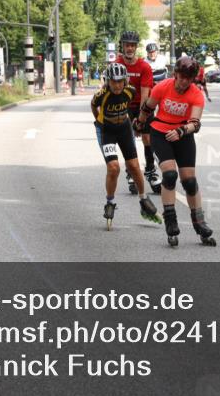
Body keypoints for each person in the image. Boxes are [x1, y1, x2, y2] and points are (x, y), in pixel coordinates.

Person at [135, 56, 213, 247]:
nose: (184, 81)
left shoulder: (196, 94)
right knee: (169, 175)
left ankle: (199, 222)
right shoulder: (163, 87)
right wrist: (140, 122)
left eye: (189, 78)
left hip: (183, 135)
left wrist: (181, 131)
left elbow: (195, 123)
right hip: (160, 133)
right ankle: (170, 219)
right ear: (175, 74)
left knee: (190, 181)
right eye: (182, 76)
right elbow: (148, 107)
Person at [91, 62, 160, 229]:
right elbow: (94, 106)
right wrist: (99, 121)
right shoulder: (101, 94)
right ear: (107, 81)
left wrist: (134, 123)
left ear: (125, 81)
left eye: (120, 81)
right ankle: (110, 202)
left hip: (124, 129)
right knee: (114, 168)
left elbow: (132, 107)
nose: (117, 85)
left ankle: (143, 199)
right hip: (106, 130)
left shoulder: (131, 91)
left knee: (134, 166)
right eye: (113, 81)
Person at [115, 31, 161, 194]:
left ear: (136, 47)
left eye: (132, 46)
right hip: (123, 105)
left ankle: (150, 170)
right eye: (127, 45)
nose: (129, 48)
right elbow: (115, 91)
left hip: (142, 105)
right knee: (128, 140)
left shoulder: (144, 67)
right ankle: (131, 172)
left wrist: (140, 119)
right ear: (123, 46)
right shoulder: (117, 64)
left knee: (148, 138)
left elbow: (145, 94)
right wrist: (126, 116)